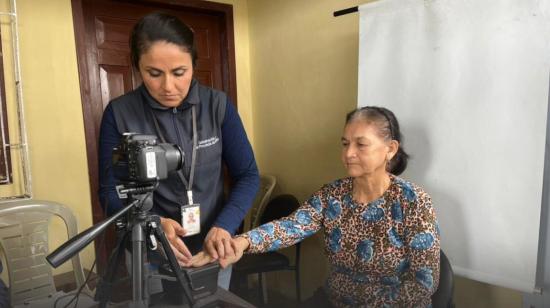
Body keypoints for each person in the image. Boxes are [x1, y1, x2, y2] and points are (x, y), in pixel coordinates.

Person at [192, 106, 440, 307]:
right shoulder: (333, 195)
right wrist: (241, 243)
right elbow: (291, 226)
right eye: (345, 143)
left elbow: (423, 285)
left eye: (360, 145)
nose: (348, 153)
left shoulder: (413, 202)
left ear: (390, 149)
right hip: (334, 301)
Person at [98, 12, 259, 290]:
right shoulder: (120, 113)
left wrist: (225, 226)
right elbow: (109, 189)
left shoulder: (217, 106)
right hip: (150, 249)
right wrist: (152, 224)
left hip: (210, 248)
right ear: (137, 67)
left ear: (193, 66)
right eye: (154, 74)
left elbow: (248, 174)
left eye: (179, 72)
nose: (168, 87)